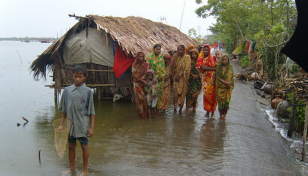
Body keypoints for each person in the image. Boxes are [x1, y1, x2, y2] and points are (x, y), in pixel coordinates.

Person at [57, 65, 95, 176]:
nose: (77, 79)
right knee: (71, 146)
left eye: (80, 76)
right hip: (70, 124)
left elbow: (91, 111)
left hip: (82, 124)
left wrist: (92, 127)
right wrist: (61, 124)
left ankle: (85, 169)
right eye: (75, 76)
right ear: (72, 76)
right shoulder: (68, 91)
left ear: (85, 77)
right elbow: (64, 109)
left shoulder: (88, 91)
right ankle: (72, 169)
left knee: (84, 145)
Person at [196, 44, 217, 118]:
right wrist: (213, 69)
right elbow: (202, 67)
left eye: (207, 50)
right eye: (204, 50)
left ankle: (213, 112)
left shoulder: (212, 58)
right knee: (206, 95)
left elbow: (217, 66)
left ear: (209, 50)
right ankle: (207, 111)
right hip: (205, 80)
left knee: (213, 95)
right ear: (202, 50)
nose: (205, 51)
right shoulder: (200, 58)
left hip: (213, 79)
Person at [146, 44, 166, 112]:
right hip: (151, 78)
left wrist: (161, 76)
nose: (158, 50)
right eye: (156, 49)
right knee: (151, 93)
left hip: (160, 79)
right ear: (153, 49)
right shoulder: (149, 57)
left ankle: (156, 110)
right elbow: (148, 68)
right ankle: (150, 110)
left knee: (158, 94)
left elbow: (163, 69)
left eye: (159, 49)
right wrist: (153, 77)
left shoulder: (161, 58)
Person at [172, 45, 191, 112]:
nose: (180, 51)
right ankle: (174, 108)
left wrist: (179, 76)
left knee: (182, 94)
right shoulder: (175, 56)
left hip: (183, 79)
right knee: (175, 94)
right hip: (175, 78)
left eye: (181, 50)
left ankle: (180, 109)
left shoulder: (187, 57)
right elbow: (172, 66)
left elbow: (187, 69)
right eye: (178, 49)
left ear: (184, 50)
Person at [216, 55, 234, 120]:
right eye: (223, 60)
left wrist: (230, 83)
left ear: (228, 60)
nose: (224, 61)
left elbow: (232, 77)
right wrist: (225, 82)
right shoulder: (219, 67)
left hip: (228, 88)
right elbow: (218, 77)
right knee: (220, 102)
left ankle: (225, 115)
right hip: (220, 88)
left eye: (225, 60)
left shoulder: (231, 68)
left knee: (227, 102)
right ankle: (220, 115)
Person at [132, 51, 149, 118]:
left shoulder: (146, 65)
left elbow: (147, 74)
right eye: (139, 56)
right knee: (139, 99)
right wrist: (141, 80)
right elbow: (134, 75)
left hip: (144, 84)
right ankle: (140, 114)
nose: (141, 58)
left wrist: (144, 81)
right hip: (137, 84)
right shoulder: (134, 65)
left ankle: (145, 114)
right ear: (137, 57)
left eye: (142, 56)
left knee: (144, 99)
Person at [186, 49, 202, 114]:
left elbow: (202, 70)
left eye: (195, 54)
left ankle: (194, 107)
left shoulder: (200, 62)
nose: (194, 55)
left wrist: (199, 76)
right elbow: (187, 70)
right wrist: (193, 75)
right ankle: (187, 108)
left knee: (195, 94)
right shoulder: (189, 62)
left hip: (198, 81)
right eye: (193, 54)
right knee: (189, 94)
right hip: (191, 80)